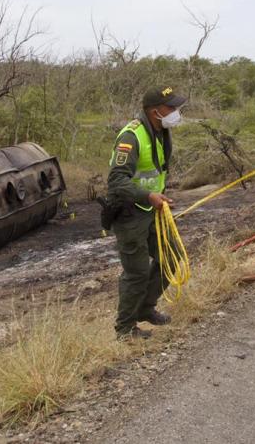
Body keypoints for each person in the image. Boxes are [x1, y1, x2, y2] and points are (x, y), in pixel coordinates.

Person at [107, 86, 186, 340]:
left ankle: (145, 308)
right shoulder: (131, 136)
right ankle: (125, 329)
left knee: (171, 257)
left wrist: (158, 196)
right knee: (137, 271)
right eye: (171, 108)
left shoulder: (161, 131)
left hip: (154, 211)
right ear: (156, 111)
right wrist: (148, 196)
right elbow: (117, 180)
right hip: (130, 214)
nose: (176, 112)